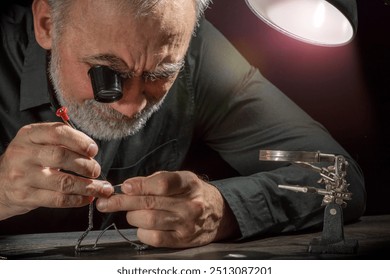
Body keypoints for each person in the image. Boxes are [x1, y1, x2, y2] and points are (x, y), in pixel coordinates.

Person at [0, 0, 366, 249]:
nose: (130, 108)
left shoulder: (199, 56)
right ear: (46, 24)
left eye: (160, 75)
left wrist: (226, 209)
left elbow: (336, 175)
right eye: (107, 74)